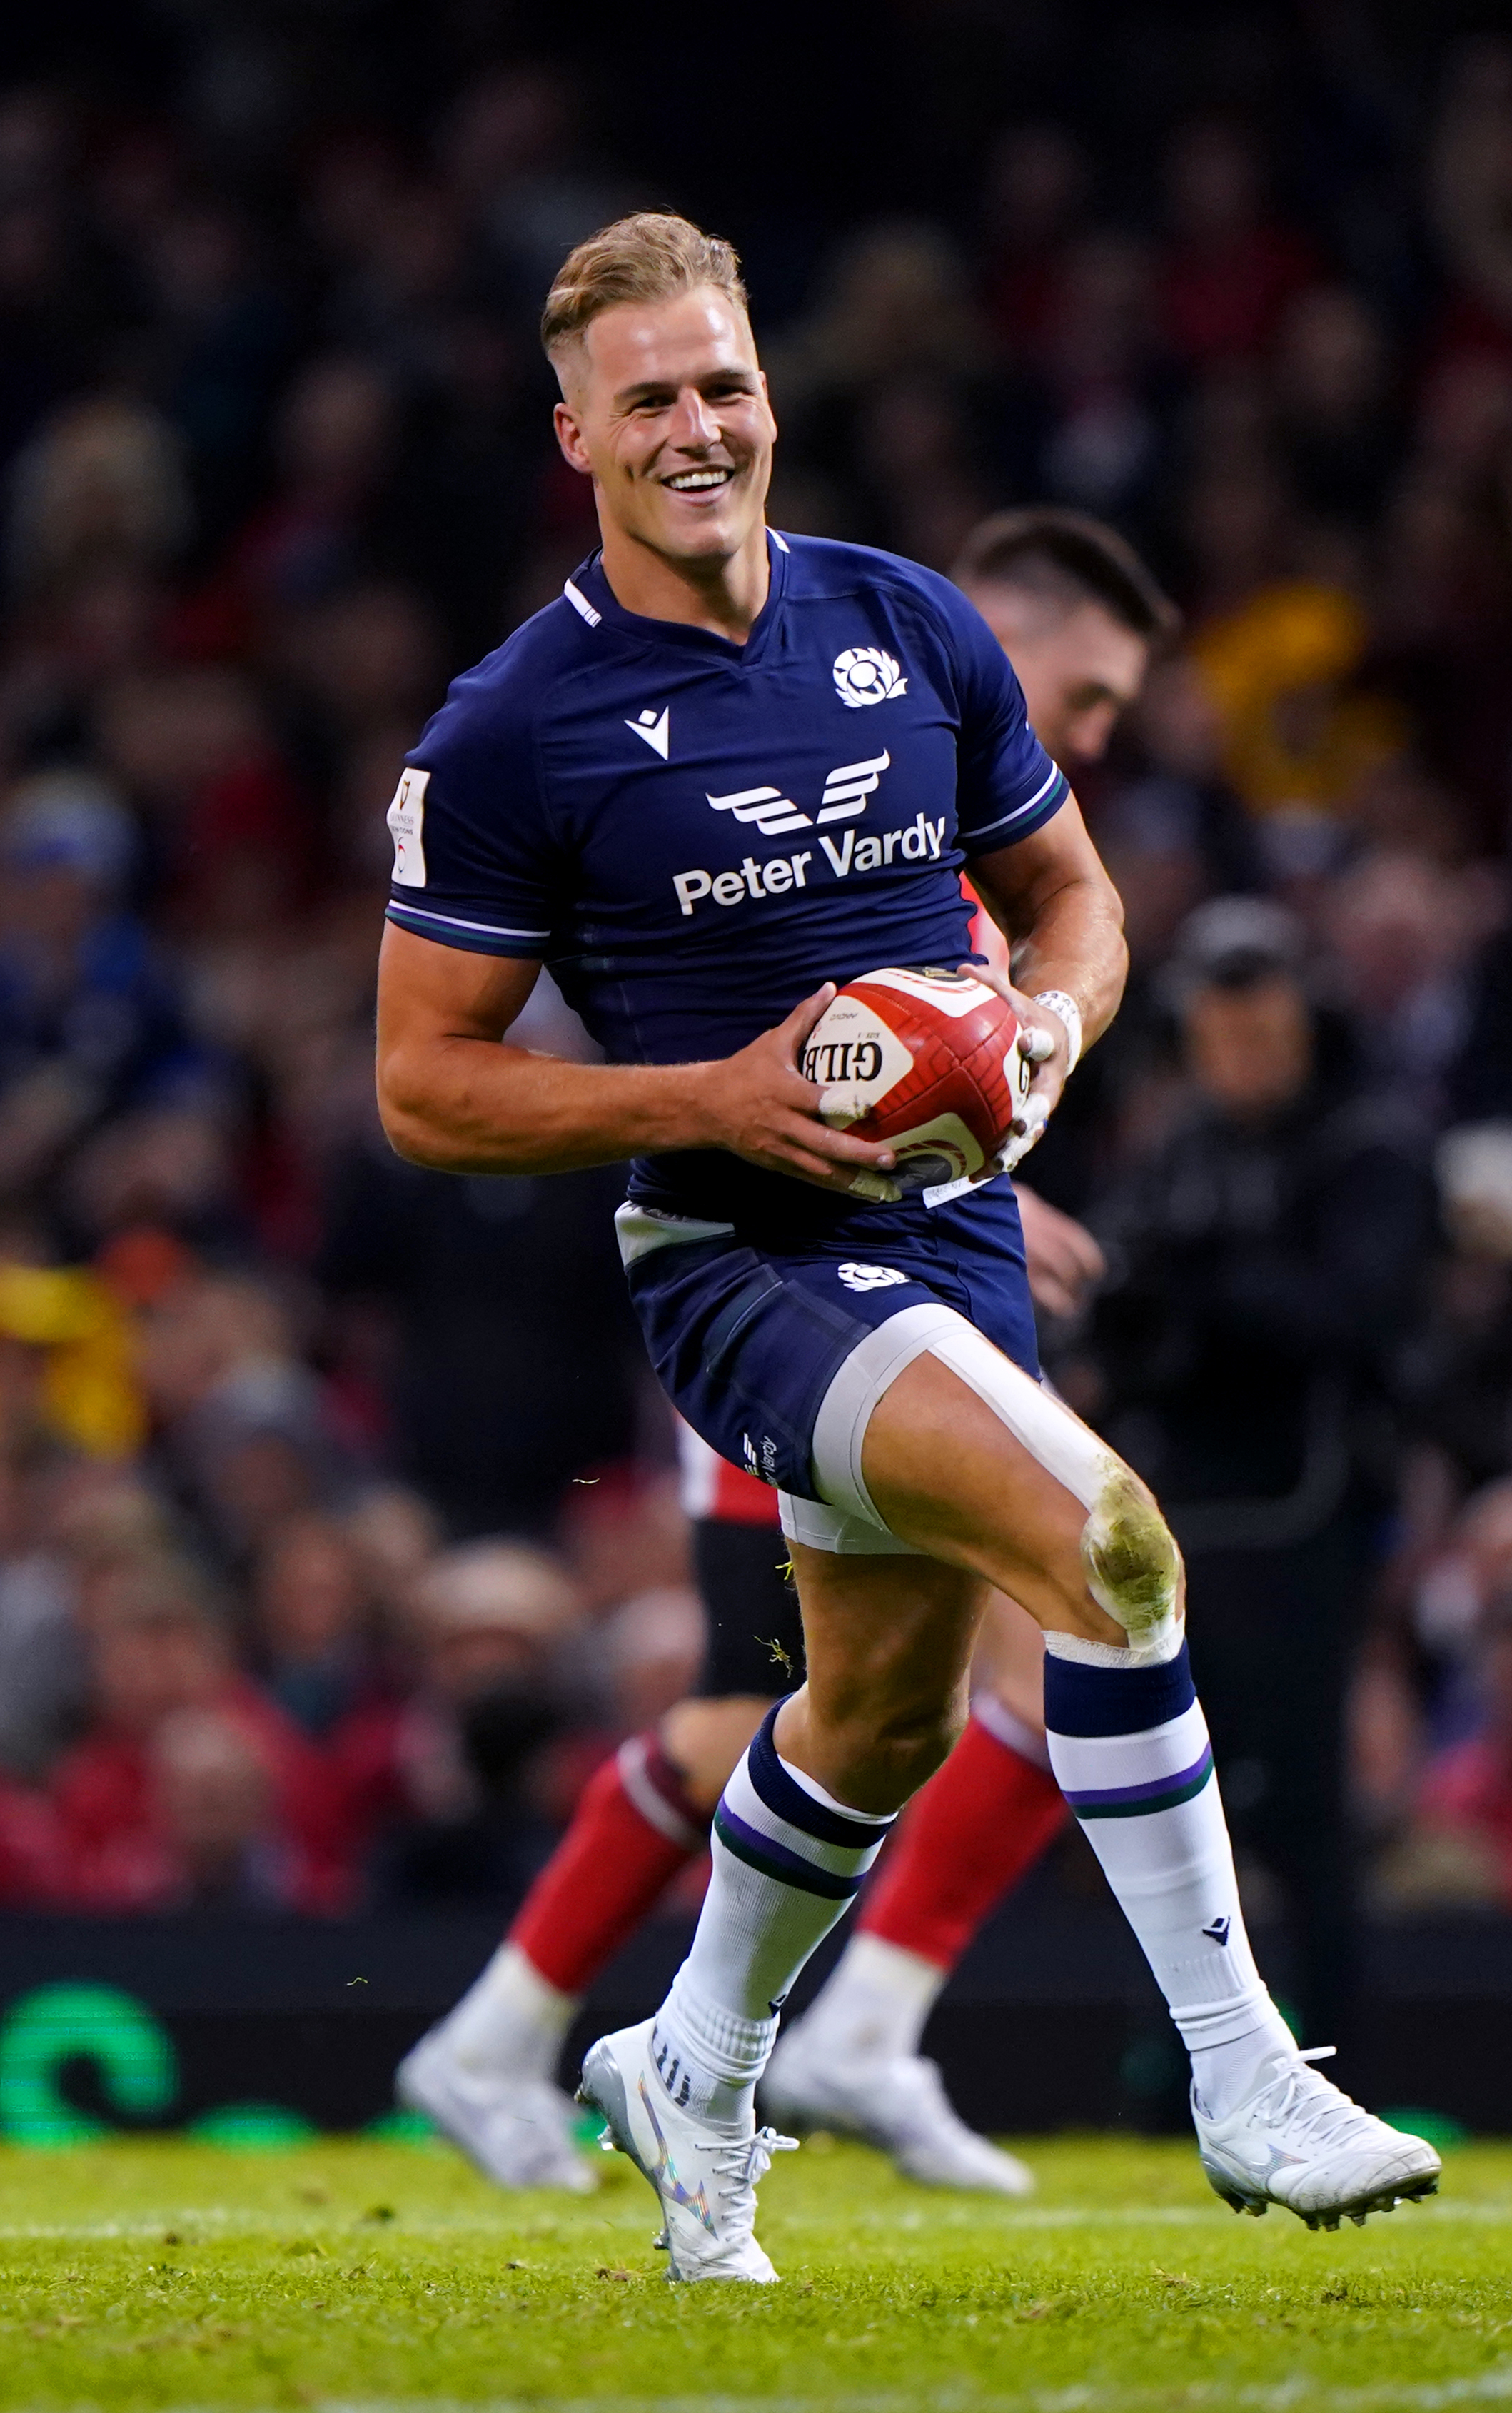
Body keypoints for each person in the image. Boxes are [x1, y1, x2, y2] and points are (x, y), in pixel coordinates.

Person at [372, 212, 1434, 2282]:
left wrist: (1042, 1027)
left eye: (725, 384)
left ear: (771, 394)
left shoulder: (907, 622)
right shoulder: (513, 727)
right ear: (573, 426)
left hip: (947, 1237)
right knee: (1113, 1544)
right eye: (651, 396)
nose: (699, 425)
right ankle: (1244, 2068)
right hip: (741, 1257)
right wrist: (705, 1093)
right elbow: (425, 1086)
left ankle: (691, 2057)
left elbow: (1080, 908)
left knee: (876, 1720)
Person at [393, 506, 1164, 2201]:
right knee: (890, 1679)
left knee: (827, 1696)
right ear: (1000, 637)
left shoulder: (930, 828)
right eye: (1087, 700)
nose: (1092, 743)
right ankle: (824, 2025)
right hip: (779, 1300)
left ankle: (531, 2032)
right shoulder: (832, 769)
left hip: (879, 1291)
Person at [1082, 897, 1438, 2045]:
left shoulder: (1367, 1142)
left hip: (1305, 1515)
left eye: (1264, 1032)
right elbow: (1118, 1309)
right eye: (1222, 1035)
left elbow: (1359, 1314)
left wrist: (1201, 1291)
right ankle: (1172, 2070)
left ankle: (1342, 2055)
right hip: (1181, 1514)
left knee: (1304, 1809)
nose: (1242, 1056)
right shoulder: (1177, 1148)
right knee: (1170, 1810)